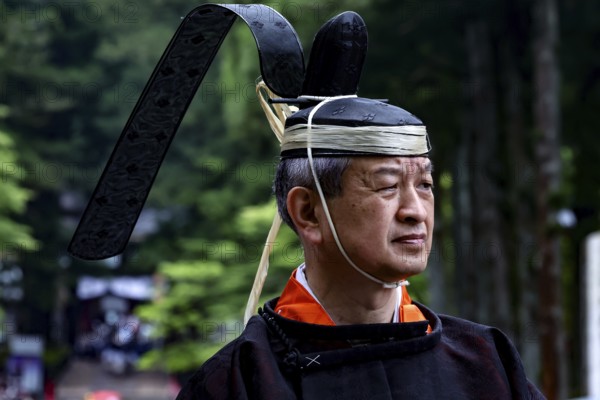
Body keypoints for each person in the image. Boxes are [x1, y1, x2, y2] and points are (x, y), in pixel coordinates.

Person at [175, 10, 546, 399]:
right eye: (387, 186)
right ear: (309, 213)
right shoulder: (238, 384)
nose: (415, 211)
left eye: (425, 184)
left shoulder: (488, 364)